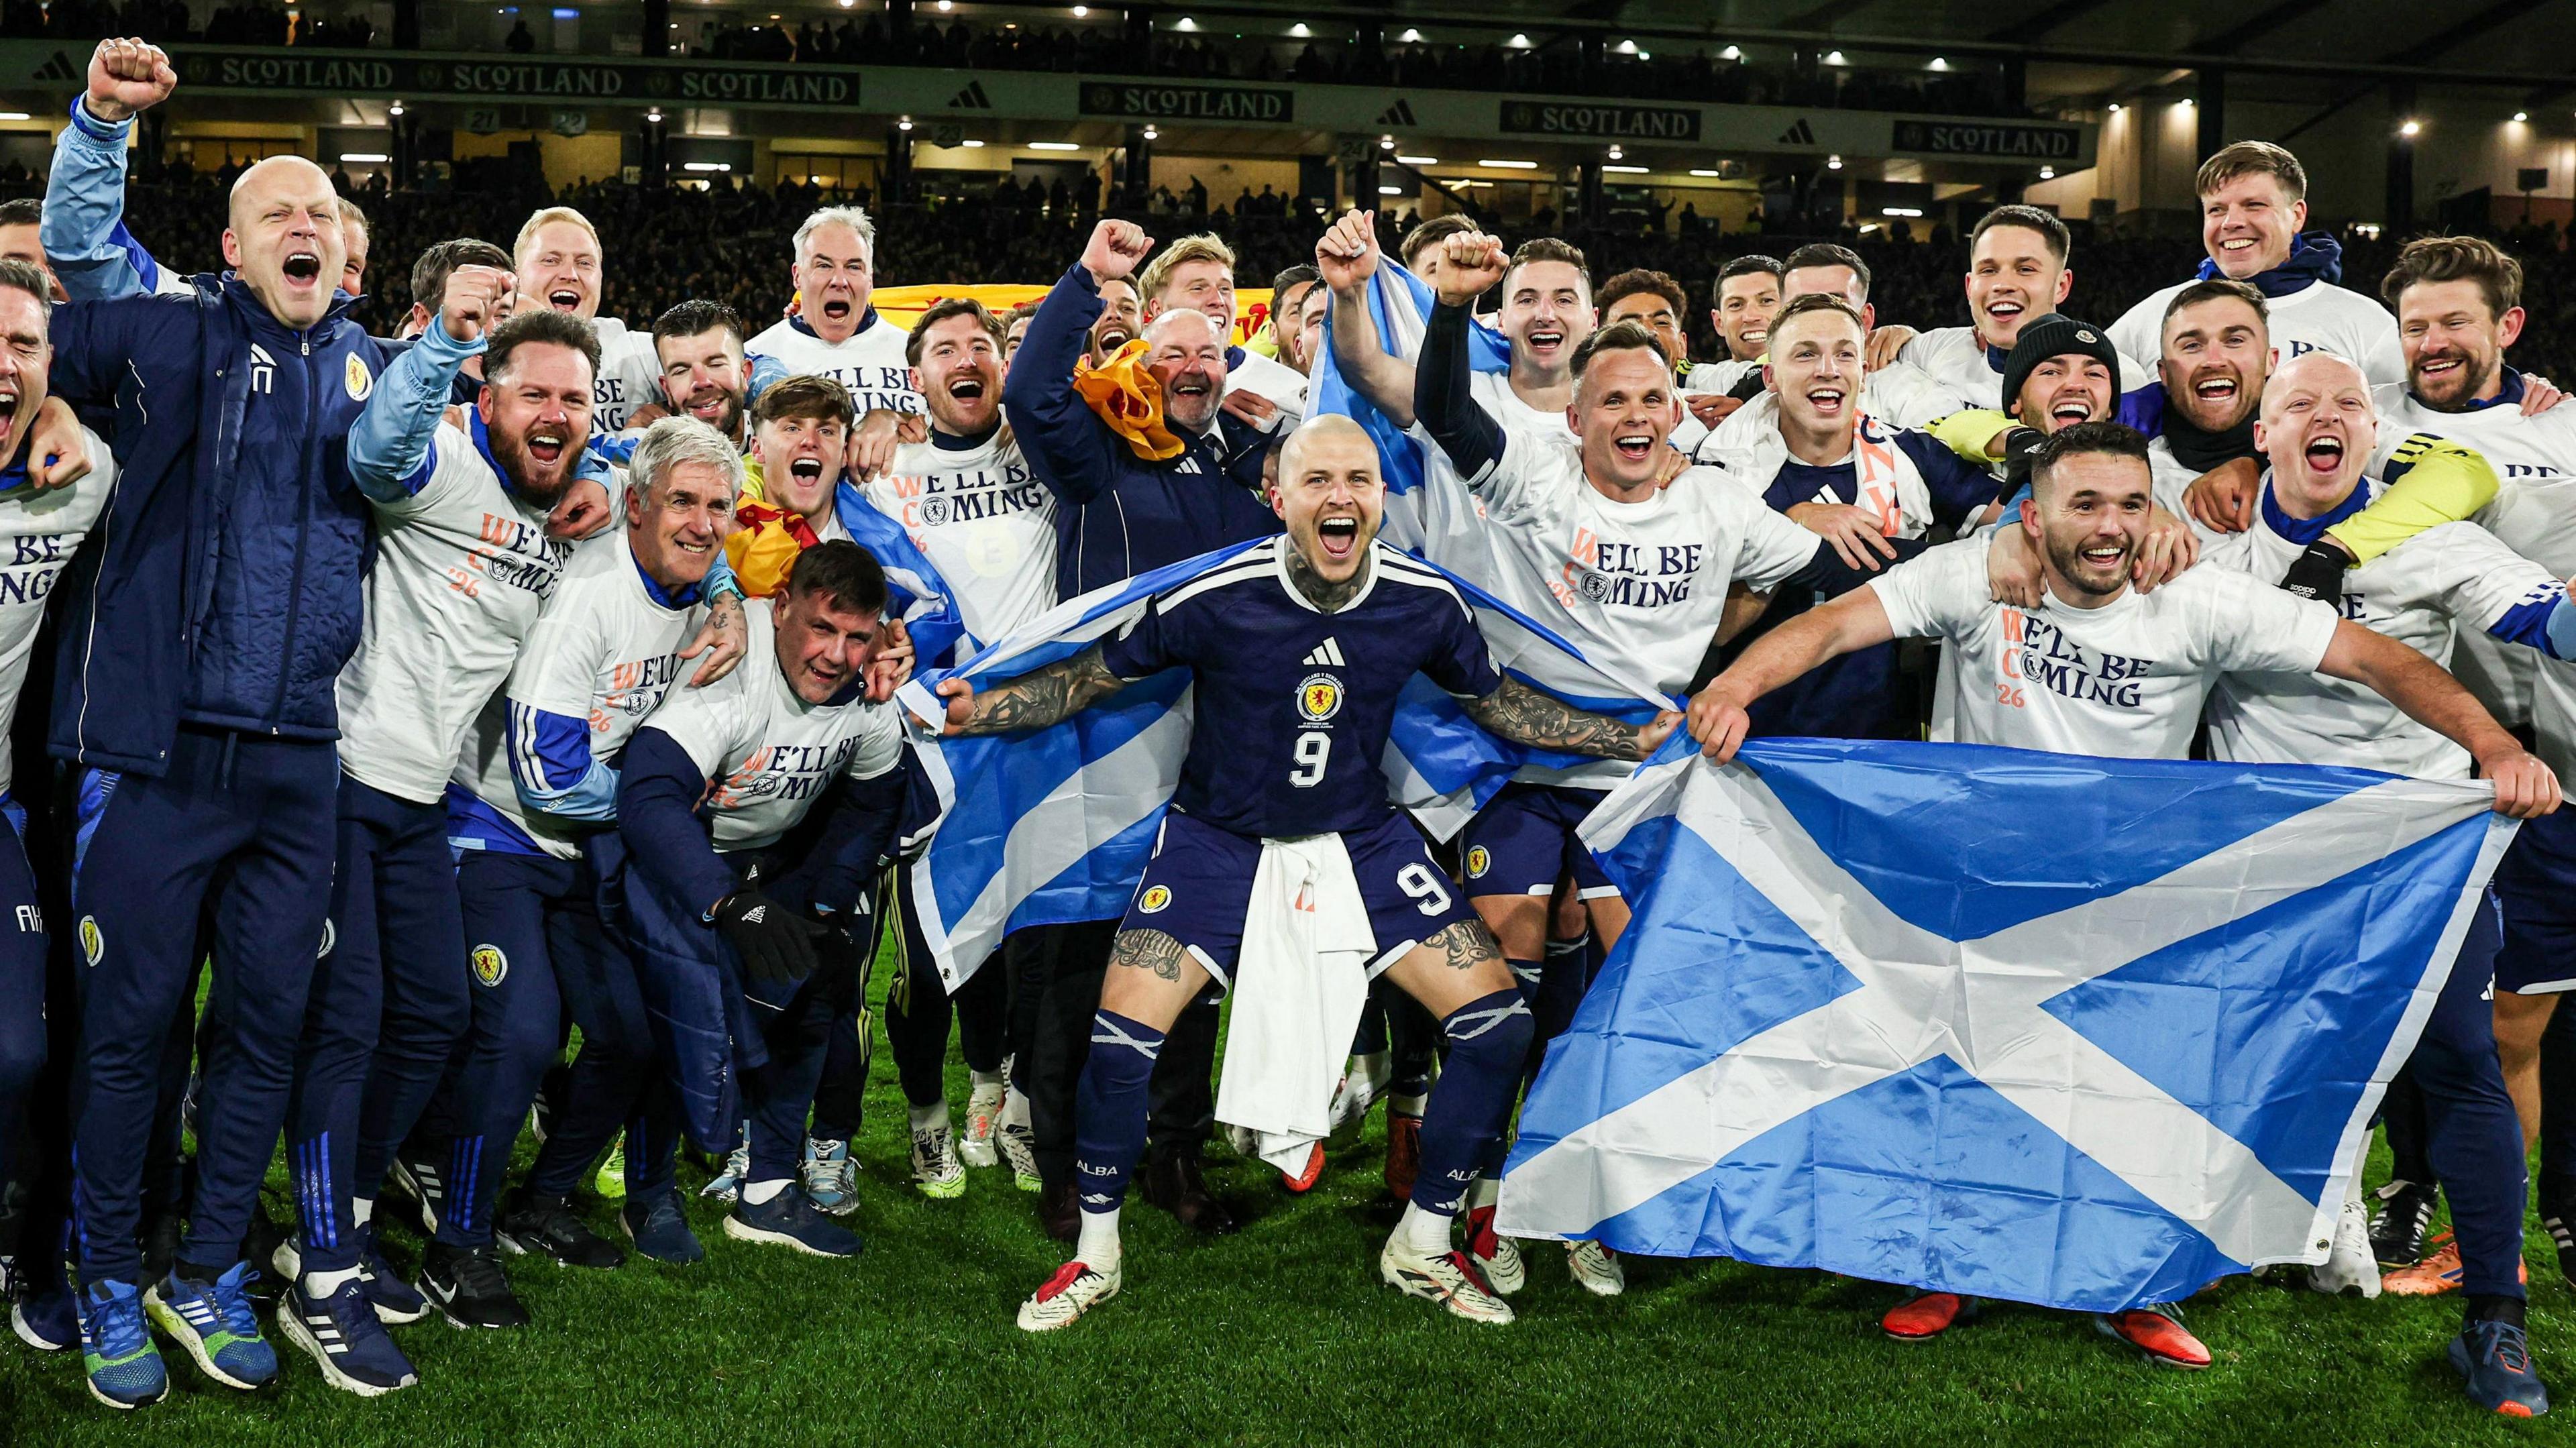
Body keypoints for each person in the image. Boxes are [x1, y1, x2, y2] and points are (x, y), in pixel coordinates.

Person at [1687, 419, 2557, 1372]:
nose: (2111, 527)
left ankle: (2138, 1286)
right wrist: (1735, 687)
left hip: (2132, 893)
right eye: (2086, 504)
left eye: (2132, 504)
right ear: (2034, 513)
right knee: (1961, 1077)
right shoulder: (1979, 571)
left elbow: (2376, 657)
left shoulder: (2193, 595)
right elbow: (1832, 622)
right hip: (1988, 879)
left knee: (2130, 1095)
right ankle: (1949, 1264)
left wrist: (2497, 745)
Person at [935, 416, 1680, 1331]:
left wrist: (1622, 734)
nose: (1341, 498)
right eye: (1318, 480)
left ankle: (1424, 1240)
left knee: (1495, 1025)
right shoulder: (1218, 594)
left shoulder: (1422, 601)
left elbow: (1498, 701)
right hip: (1217, 842)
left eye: (1358, 481)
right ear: (1278, 498)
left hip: (1359, 843)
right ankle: (1096, 1254)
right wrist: (987, 707)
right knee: (1122, 1042)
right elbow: (1093, 674)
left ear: (1377, 498)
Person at [1408, 231, 1931, 1298]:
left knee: (1613, 1002)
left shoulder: (1720, 502)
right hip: (1525, 769)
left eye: (1653, 399)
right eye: (1612, 402)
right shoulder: (1536, 482)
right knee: (1498, 991)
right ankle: (1474, 1196)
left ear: (1673, 410)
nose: (1636, 416)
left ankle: (1573, 1195)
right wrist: (1454, 310)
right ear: (1579, 417)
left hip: (1648, 784)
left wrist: (1726, 647)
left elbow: (1824, 572)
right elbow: (1449, 414)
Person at [34, 38, 392, 1409]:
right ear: (230, 248)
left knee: (265, 1029)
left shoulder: (384, 377)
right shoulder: (176, 329)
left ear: (348, 255)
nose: (301, 227)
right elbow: (76, 244)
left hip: (300, 768)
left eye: (322, 212)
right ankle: (111, 1272)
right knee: (130, 1034)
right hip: (159, 757)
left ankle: (209, 1270)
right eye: (273, 211)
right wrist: (99, 125)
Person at [2194, 350, 2565, 1416]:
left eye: (2348, 404)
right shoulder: (2204, 524)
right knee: (2231, 1050)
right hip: (2258, 843)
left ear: (2376, 431)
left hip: (2417, 839)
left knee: (2461, 1057)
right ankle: (2219, 1243)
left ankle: (2495, 1317)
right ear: (2257, 435)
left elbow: (2540, 618)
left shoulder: (2437, 534)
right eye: (2298, 403)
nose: (2327, 417)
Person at [279, 287, 613, 1396]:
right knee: (355, 1021)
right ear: (490, 398)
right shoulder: (450, 467)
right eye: (535, 392)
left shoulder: (571, 514)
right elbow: (377, 454)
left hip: (421, 801)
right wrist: (445, 343)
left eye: (576, 396)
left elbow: (670, 502)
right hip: (334, 777)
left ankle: (348, 1220)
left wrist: (705, 580)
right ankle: (319, 1273)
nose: (557, 412)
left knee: (434, 1015)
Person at [415, 416, 743, 1327]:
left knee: (633, 1036)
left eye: (719, 507)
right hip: (500, 832)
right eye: (683, 500)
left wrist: (726, 596)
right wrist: (658, 808)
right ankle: (459, 1241)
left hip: (587, 849)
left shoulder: (699, 592)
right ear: (635, 506)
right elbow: (546, 771)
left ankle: (541, 1198)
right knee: (520, 1036)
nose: (703, 522)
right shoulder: (592, 596)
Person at [1000, 217, 1269, 1241]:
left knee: (1189, 962)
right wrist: (1086, 279)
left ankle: (1172, 1157)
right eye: (1174, 353)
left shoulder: (1245, 471)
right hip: (1099, 747)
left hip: (1206, 755)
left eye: (1210, 352)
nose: (1193, 367)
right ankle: (1069, 1165)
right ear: (1141, 362)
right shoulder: (1095, 452)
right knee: (1078, 967)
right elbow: (1031, 391)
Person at [616, 541, 910, 1261]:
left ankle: (770, 1189)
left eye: (855, 636)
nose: (836, 654)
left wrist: (826, 904)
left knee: (819, 985)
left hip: (770, 854)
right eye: (820, 627)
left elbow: (873, 802)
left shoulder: (871, 692)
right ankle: (648, 1193)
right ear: (780, 609)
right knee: (671, 1016)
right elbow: (648, 795)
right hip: (673, 853)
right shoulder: (730, 666)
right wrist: (727, 904)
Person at [1702, 294, 2000, 742]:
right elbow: (1713, 632)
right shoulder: (1721, 470)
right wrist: (1788, 531)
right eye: (1805, 354)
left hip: (1883, 742)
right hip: (1752, 741)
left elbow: (2020, 523)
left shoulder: (1912, 454)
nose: (1828, 369)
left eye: (1845, 353)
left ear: (1863, 373)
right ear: (1771, 377)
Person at [0, 258, 117, 1366]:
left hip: (12, 799)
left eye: (27, 345)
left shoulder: (81, 473)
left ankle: (25, 1240)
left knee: (21, 1053)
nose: (6, 361)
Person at [2106, 142, 2403, 387]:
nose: (2232, 222)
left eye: (2254, 206)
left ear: (2297, 216)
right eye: (2216, 210)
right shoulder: (2154, 313)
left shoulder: (2366, 323)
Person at [1319, 209, 1596, 438]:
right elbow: (1366, 368)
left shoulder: (1623, 417)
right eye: (1526, 300)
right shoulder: (1454, 399)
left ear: (1594, 320)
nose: (1545, 315)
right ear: (1501, 320)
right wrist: (1350, 292)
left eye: (1564, 301)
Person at [1876, 205, 2135, 409]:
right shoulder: (1929, 352)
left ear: (2062, 285)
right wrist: (1896, 335)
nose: (2002, 284)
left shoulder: (2117, 378)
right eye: (1988, 270)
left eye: (2025, 270)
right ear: (1969, 286)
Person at [746, 205, 925, 480]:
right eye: (823, 265)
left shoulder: (919, 352)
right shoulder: (755, 358)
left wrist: (896, 418)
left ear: (870, 280)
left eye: (854, 267)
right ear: (797, 275)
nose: (839, 280)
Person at [510, 206, 666, 435]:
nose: (570, 275)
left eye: (584, 263)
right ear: (516, 277)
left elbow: (723, 364)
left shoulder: (633, 352)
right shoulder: (483, 359)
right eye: (551, 260)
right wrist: (620, 442)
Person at [1137, 232, 1305, 423]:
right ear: (1157, 309)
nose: (1218, 300)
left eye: (1225, 289)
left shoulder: (1290, 389)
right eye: (1198, 288)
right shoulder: (1128, 388)